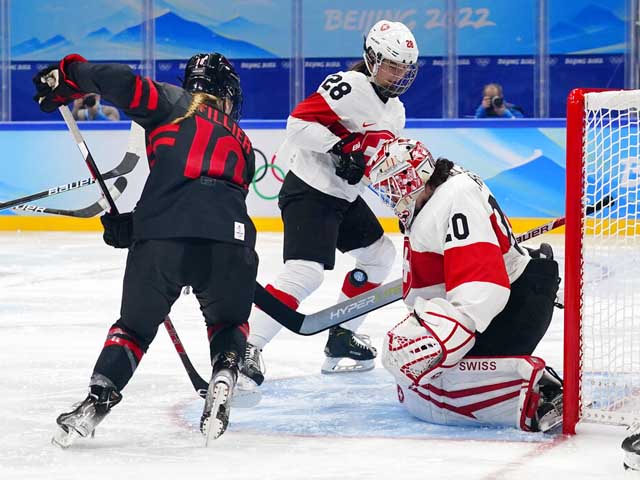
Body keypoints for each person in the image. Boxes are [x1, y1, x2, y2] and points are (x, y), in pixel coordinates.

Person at [33, 52, 258, 446]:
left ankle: (94, 404)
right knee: (227, 323)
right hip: (232, 241)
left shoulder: (175, 102)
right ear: (227, 94)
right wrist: (138, 225)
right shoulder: (244, 142)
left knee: (133, 329)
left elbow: (116, 78)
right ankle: (225, 371)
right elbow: (206, 198)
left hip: (162, 237)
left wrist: (69, 75)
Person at [241, 20, 419, 389]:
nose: (398, 73)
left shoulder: (396, 111)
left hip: (343, 198)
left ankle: (341, 337)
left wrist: (406, 204)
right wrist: (341, 147)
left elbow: (378, 162)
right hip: (309, 190)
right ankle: (245, 348)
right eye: (391, 64)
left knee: (379, 257)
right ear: (371, 58)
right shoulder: (349, 86)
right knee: (305, 273)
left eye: (404, 67)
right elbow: (298, 124)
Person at [367, 137, 562, 432]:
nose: (390, 195)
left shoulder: (454, 197)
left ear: (416, 176)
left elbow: (483, 284)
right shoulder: (441, 187)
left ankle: (541, 395)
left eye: (393, 185)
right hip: (511, 296)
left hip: (512, 307)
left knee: (439, 392)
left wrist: (443, 336)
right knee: (415, 387)